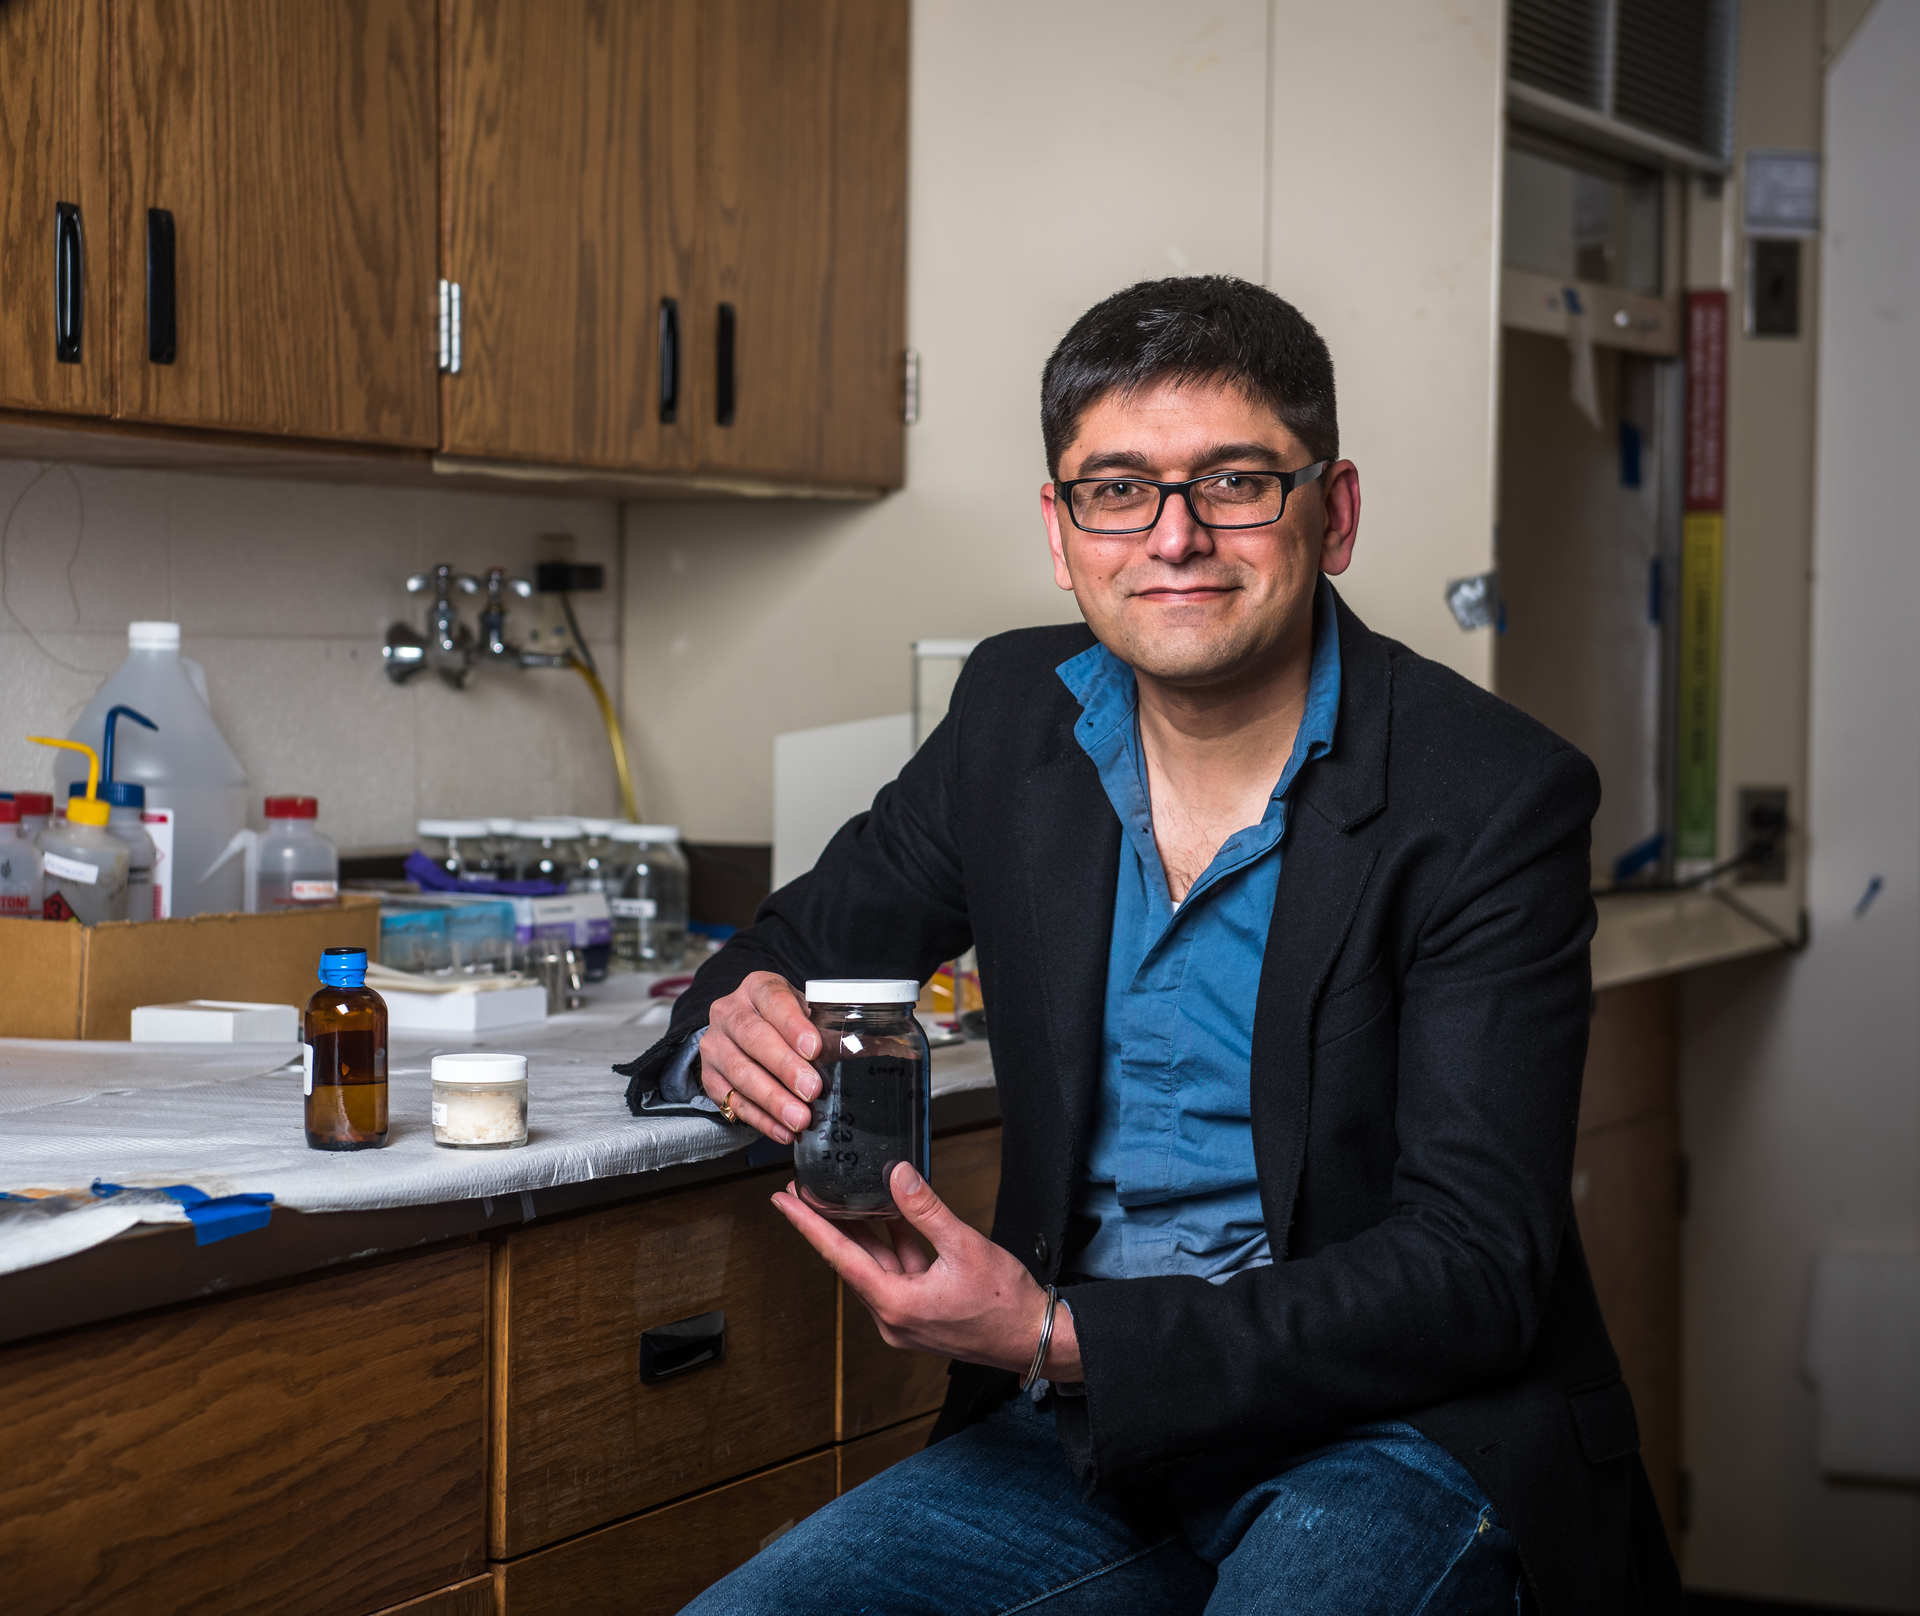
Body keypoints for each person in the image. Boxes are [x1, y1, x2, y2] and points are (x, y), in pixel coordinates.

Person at [619, 275, 1682, 1614]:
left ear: (1333, 513)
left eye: (1236, 481)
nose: (1175, 538)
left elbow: (1475, 1270)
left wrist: (1063, 1336)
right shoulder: (1015, 716)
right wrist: (737, 1020)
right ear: (1061, 535)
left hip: (1401, 1434)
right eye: (1117, 489)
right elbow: (785, 948)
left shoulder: (1491, 798)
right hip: (1086, 1440)